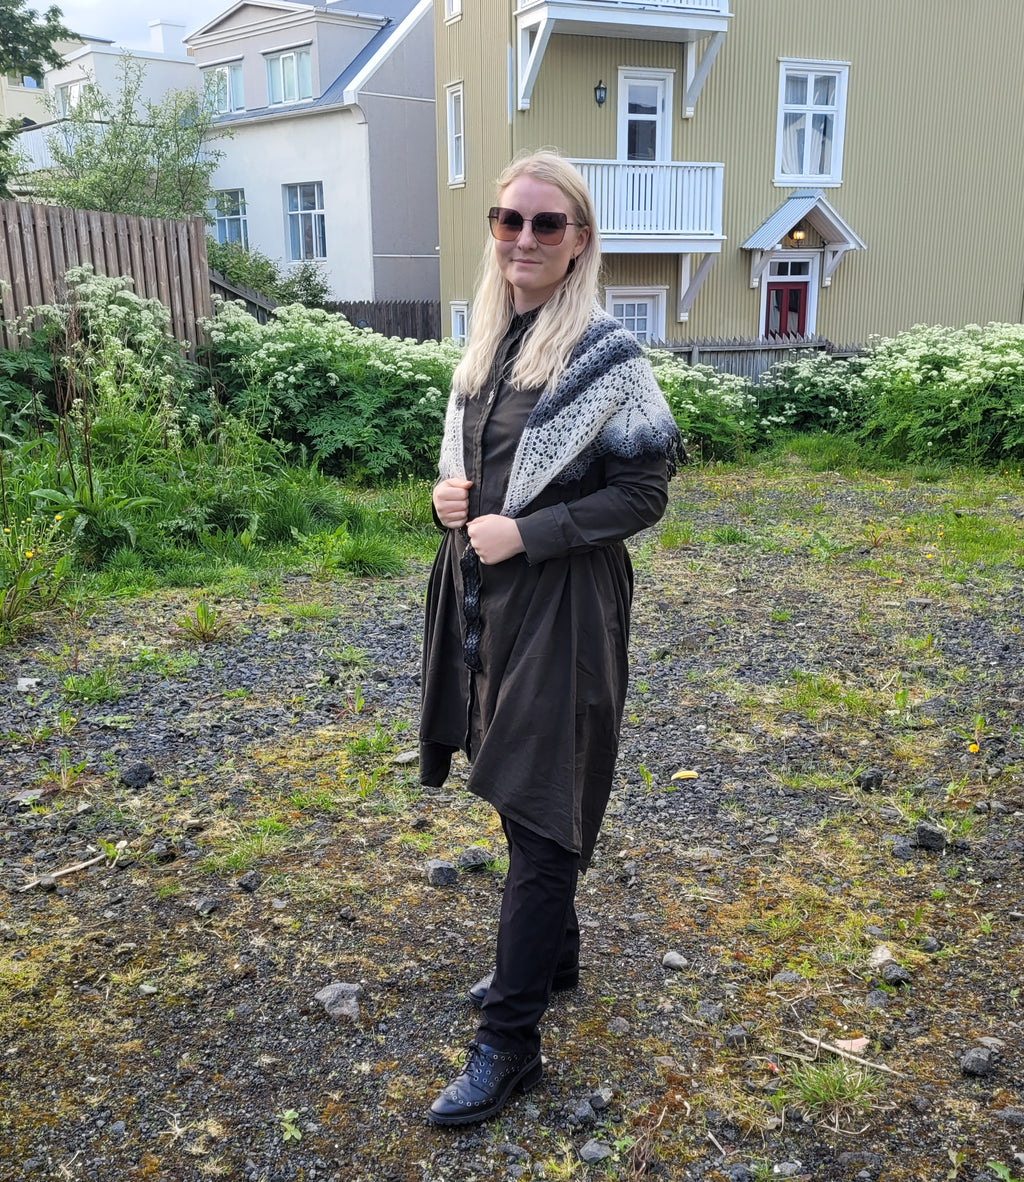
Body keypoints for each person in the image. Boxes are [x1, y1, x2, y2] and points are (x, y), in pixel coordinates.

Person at [420, 149, 682, 1126]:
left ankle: (511, 1044)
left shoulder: (606, 353)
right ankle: (555, 956)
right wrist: (450, 498)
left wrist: (528, 532)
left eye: (544, 224)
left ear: (578, 242)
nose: (521, 238)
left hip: (564, 605)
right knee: (511, 776)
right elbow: (480, 471)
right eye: (506, 220)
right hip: (482, 598)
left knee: (538, 807)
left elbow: (642, 492)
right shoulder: (482, 343)